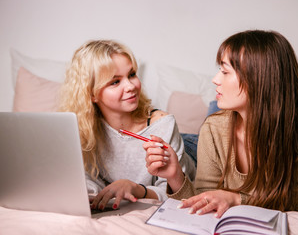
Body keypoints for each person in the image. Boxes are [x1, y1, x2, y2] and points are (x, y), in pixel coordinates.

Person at [143, 30, 298, 217]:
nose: (215, 79)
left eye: (225, 71)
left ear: (258, 79)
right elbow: (206, 197)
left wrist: (236, 198)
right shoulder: (213, 128)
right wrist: (175, 176)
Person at [58, 40, 195, 210]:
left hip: (191, 150)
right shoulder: (84, 129)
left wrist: (135, 188)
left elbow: (177, 193)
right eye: (115, 82)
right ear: (92, 93)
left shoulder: (163, 125)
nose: (130, 86)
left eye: (131, 75)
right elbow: (89, 182)